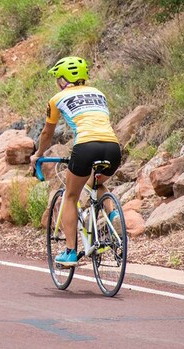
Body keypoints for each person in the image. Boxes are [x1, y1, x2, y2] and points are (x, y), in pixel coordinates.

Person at [29, 56, 122, 267]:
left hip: (86, 146)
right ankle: (113, 214)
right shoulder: (99, 93)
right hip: (112, 146)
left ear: (62, 79)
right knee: (97, 182)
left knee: (70, 196)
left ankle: (70, 252)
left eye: (57, 78)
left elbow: (46, 133)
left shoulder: (57, 98)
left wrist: (38, 154)